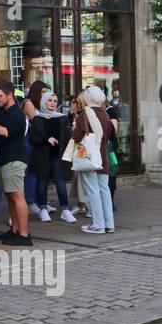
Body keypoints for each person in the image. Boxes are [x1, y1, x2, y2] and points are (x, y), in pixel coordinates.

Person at [0, 81, 30, 245]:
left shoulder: (16, 115)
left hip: (14, 160)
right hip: (4, 159)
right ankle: (15, 230)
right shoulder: (1, 110)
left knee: (17, 196)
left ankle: (24, 235)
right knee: (10, 196)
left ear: (9, 95)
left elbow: (1, 135)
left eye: (0, 96)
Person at [73, 87, 116, 234]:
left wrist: (74, 126)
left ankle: (98, 225)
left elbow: (77, 137)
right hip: (103, 157)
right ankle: (109, 223)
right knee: (104, 190)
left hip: (89, 158)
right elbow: (109, 135)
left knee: (92, 191)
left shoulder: (85, 114)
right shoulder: (105, 114)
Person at [29, 91, 74, 222]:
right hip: (42, 156)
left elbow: (67, 136)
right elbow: (33, 139)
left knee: (60, 183)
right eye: (49, 100)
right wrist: (46, 139)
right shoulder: (37, 119)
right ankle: (43, 209)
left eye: (55, 101)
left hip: (57, 156)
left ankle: (65, 210)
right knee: (42, 183)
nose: (52, 104)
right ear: (43, 102)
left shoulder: (62, 117)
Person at [22, 80, 46, 216]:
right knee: (29, 171)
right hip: (28, 140)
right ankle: (29, 201)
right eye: (42, 92)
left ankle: (36, 200)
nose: (45, 94)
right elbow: (37, 120)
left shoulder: (39, 104)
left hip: (37, 141)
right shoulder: (28, 103)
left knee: (36, 172)